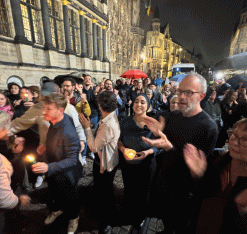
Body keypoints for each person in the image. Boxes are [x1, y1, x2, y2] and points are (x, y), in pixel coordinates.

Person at [142, 72, 218, 233]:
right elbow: (166, 140)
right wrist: (159, 132)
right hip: (164, 182)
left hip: (183, 193)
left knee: (179, 226)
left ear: (201, 96)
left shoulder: (208, 127)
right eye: (179, 91)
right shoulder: (174, 116)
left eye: (188, 92)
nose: (182, 96)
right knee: (166, 221)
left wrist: (168, 146)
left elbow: (197, 170)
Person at [184, 118, 247, 234]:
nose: (234, 142)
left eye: (245, 140)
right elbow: (202, 197)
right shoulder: (222, 160)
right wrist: (198, 176)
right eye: (234, 135)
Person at [32, 93, 83, 234]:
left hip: (68, 173)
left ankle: (74, 217)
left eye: (48, 109)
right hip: (55, 168)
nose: (43, 112)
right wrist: (45, 147)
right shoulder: (56, 120)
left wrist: (48, 167)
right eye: (44, 108)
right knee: (54, 192)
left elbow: (72, 160)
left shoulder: (68, 132)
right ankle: (57, 209)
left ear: (60, 111)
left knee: (71, 196)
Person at [118, 93, 161, 233]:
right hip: (128, 163)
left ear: (148, 106)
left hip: (146, 164)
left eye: (143, 102)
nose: (139, 104)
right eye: (136, 101)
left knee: (144, 192)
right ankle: (129, 213)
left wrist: (148, 152)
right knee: (130, 189)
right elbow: (118, 140)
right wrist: (123, 149)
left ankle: (141, 218)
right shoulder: (125, 121)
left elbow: (160, 144)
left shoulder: (154, 123)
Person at [78, 91, 120, 233]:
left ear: (100, 105)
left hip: (106, 163)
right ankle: (104, 214)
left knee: (106, 193)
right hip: (107, 160)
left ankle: (107, 220)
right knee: (103, 191)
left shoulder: (108, 124)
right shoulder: (110, 117)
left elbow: (94, 147)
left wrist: (86, 128)